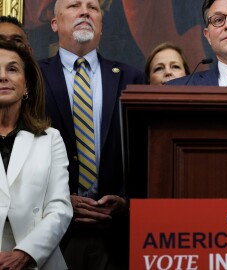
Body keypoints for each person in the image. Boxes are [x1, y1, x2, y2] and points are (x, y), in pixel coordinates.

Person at [38, 0, 146, 269]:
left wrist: (125, 201)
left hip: (116, 231)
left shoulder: (132, 79)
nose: (85, 11)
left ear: (101, 25)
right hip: (49, 231)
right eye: (74, 5)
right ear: (54, 23)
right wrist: (58, 199)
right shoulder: (33, 78)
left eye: (93, 7)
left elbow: (144, 151)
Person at [0, 40, 72, 269]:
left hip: (36, 258)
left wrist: (25, 253)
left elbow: (60, 207)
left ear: (27, 85)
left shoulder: (50, 139)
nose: (3, 77)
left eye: (12, 69)